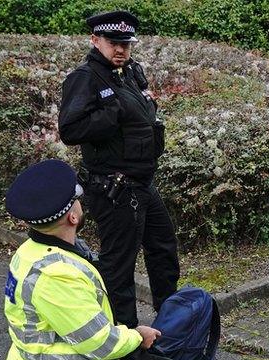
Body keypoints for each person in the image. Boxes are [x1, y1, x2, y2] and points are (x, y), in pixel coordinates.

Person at [0, 160, 161, 360]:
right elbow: (99, 343)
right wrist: (137, 336)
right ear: (73, 216)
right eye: (78, 201)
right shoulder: (58, 276)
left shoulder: (29, 252)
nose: (80, 203)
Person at [58, 9, 180, 328]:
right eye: (113, 43)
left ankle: (170, 326)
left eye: (126, 43)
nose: (121, 49)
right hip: (114, 189)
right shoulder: (84, 77)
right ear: (95, 40)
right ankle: (125, 344)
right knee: (119, 269)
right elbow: (69, 130)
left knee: (163, 248)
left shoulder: (132, 72)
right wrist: (111, 114)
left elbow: (144, 115)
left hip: (142, 182)